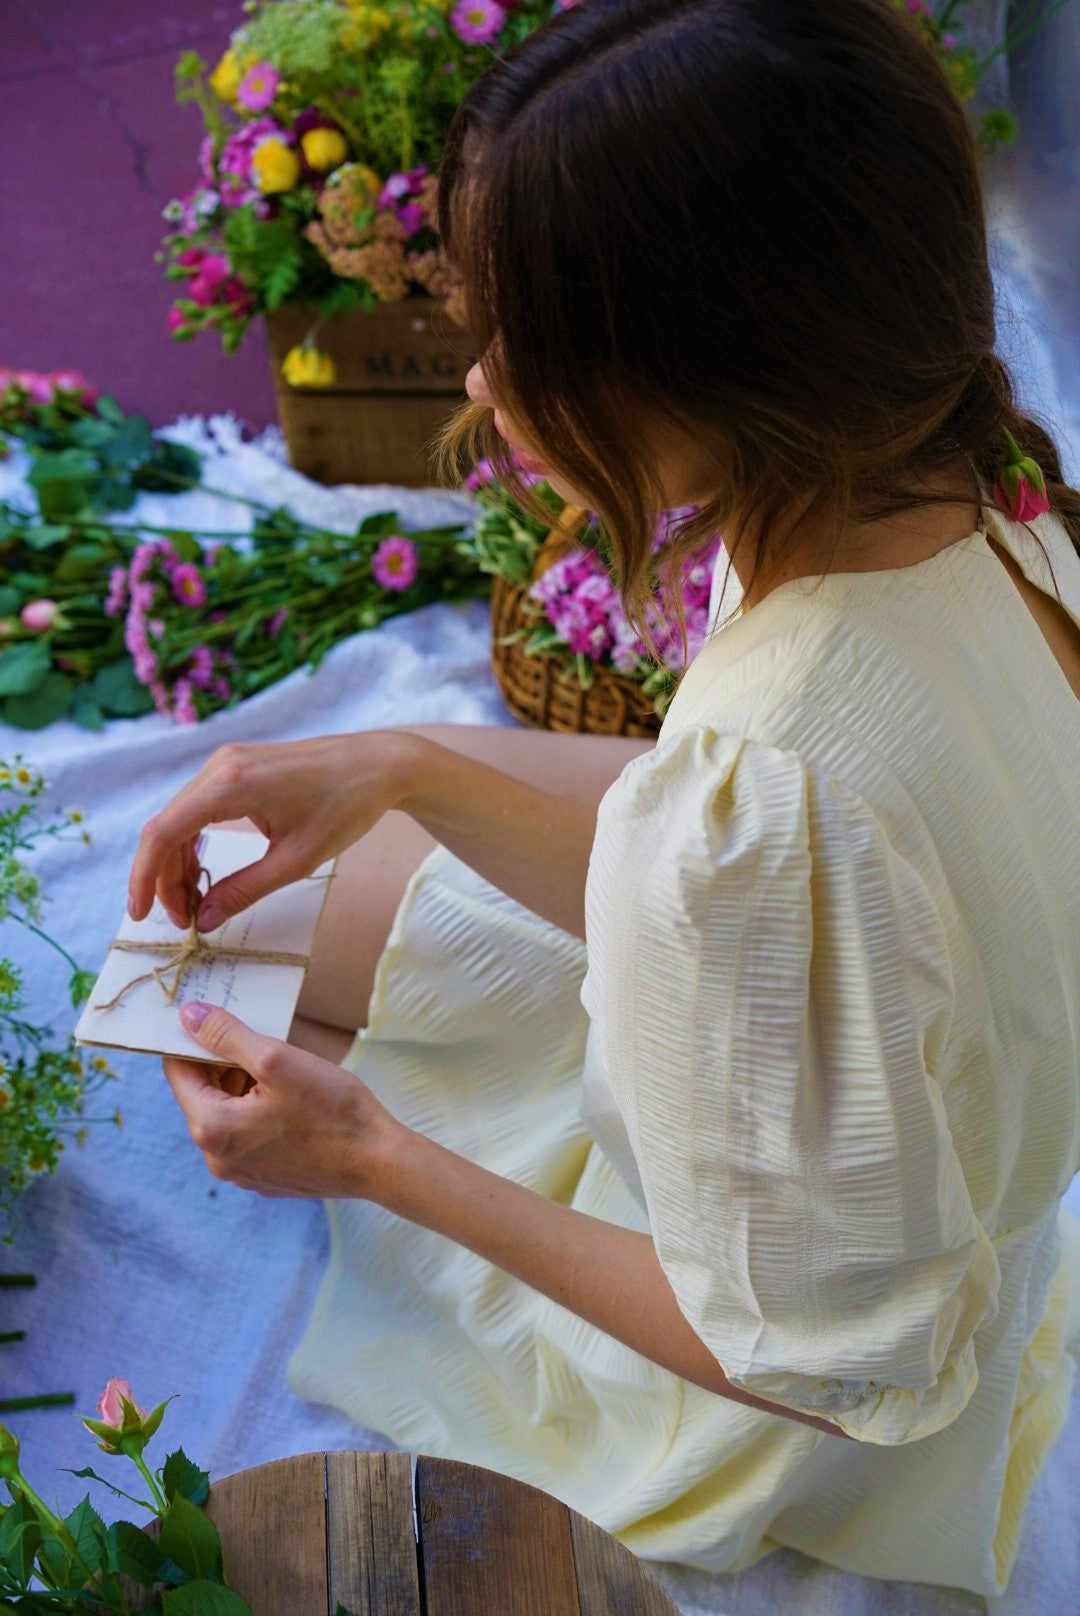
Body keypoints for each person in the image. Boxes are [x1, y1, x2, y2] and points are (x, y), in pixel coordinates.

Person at [127, 0, 1080, 1597]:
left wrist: (370, 1158)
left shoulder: (771, 787)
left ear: (706, 357)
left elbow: (822, 1367)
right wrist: (405, 764)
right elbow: (806, 882)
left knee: (238, 989)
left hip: (773, 1386)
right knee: (267, 911)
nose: (488, 384)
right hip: (897, 1139)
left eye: (531, 336)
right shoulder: (984, 492)